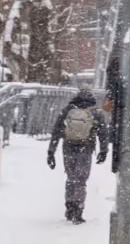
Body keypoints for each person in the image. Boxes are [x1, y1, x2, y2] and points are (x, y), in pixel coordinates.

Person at [47, 88, 111, 224]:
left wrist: (51, 152)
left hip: (68, 146)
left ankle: (69, 207)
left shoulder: (67, 111)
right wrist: (103, 151)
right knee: (81, 180)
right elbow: (103, 134)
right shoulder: (96, 113)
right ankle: (78, 209)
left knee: (71, 177)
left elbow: (56, 131)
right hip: (86, 148)